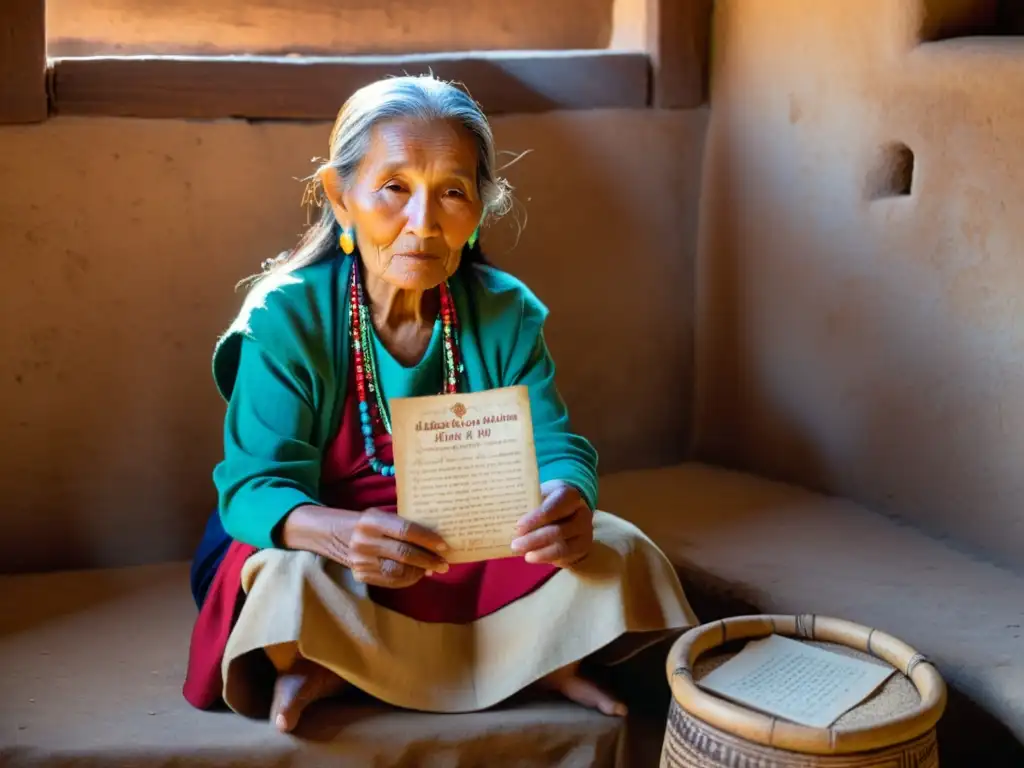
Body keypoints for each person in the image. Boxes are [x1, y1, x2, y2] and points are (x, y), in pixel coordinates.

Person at [183, 74, 697, 734]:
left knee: (617, 547)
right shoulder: (287, 318)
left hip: (466, 544)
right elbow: (254, 486)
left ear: (480, 208)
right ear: (342, 199)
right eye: (394, 188)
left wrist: (567, 495)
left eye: (452, 192)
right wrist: (341, 535)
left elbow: (557, 447)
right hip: (336, 550)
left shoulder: (503, 311)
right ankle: (509, 658)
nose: (423, 223)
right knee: (286, 584)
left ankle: (372, 665)